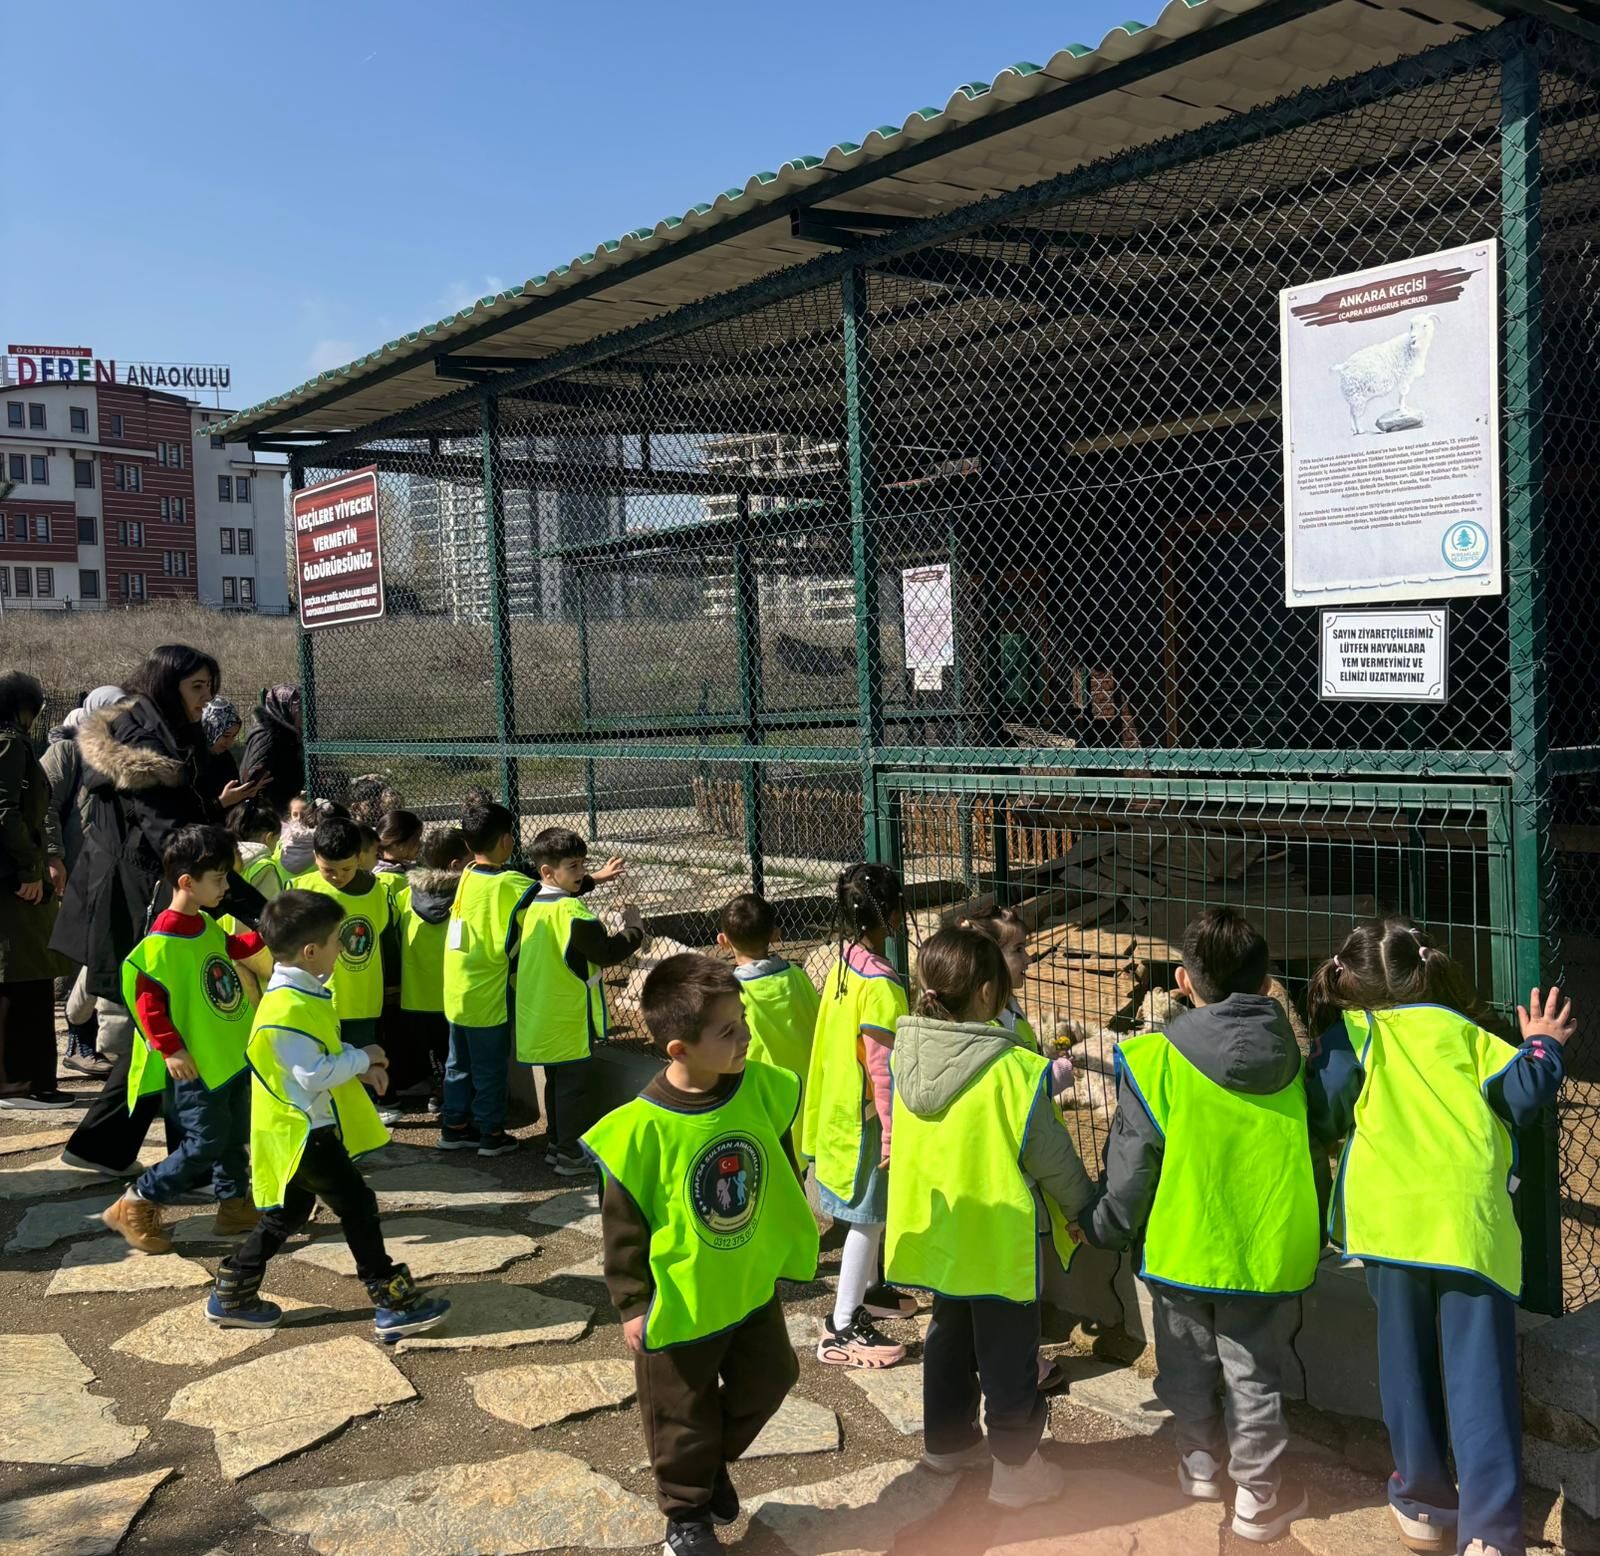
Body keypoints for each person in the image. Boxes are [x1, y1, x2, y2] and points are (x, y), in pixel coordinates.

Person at [1304, 917, 1572, 1556]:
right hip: (1468, 1231)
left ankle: (1424, 1506)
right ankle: (1490, 1534)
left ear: (1355, 985)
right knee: (1481, 1383)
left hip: (1390, 1228)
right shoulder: (1472, 1037)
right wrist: (1542, 1045)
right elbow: (1525, 1094)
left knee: (1406, 1371)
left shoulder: (1354, 1036)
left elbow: (1325, 1111)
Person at [1083, 907, 1320, 1543]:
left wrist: (1105, 1224)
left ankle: (1197, 1461)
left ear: (1184, 981)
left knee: (1184, 1360)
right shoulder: (1299, 1060)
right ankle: (1258, 1497)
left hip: (1180, 1246)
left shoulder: (1153, 1059)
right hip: (1265, 1249)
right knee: (1254, 1374)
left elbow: (1131, 1166)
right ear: (1267, 983)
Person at [583, 953, 818, 1556]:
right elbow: (622, 1225)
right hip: (680, 1297)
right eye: (728, 1031)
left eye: (744, 1022)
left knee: (773, 1377)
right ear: (679, 1049)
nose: (745, 1038)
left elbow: (776, 1164)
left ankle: (708, 1466)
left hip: (747, 1283)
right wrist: (632, 1303)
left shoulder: (761, 1087)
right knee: (679, 1413)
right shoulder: (639, 1129)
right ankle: (686, 1518)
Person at [887, 925, 1092, 1510]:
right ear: (985, 993)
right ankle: (1016, 1468)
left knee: (948, 1335)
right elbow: (1051, 1155)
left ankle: (949, 1443)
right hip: (999, 1239)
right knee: (1008, 1354)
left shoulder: (908, 1057)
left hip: (940, 1232)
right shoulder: (1011, 1070)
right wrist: (1083, 1207)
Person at [53, 645, 267, 1176]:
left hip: (153, 891)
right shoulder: (144, 745)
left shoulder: (160, 730)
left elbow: (175, 818)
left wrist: (214, 807)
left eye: (210, 688)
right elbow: (170, 837)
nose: (206, 699)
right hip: (144, 900)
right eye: (198, 687)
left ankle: (104, 1148)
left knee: (166, 1030)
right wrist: (258, 908)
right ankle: (187, 1159)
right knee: (174, 1025)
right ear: (168, 684)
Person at [207, 889, 452, 1341]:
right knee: (358, 1205)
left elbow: (315, 1058)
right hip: (304, 1133)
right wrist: (363, 1058)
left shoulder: (299, 994)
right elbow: (312, 1072)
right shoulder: (287, 1007)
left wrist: (361, 1066)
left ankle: (233, 1292)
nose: (342, 947)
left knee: (287, 1213)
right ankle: (391, 1302)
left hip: (296, 1130)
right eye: (337, 940)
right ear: (310, 951)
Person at [101, 825, 273, 1252]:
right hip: (196, 1063)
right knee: (205, 1141)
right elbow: (148, 1003)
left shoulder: (203, 924)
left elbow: (233, 948)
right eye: (219, 879)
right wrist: (172, 1049)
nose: (226, 887)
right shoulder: (162, 941)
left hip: (226, 1055)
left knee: (233, 1134)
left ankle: (233, 1204)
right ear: (187, 882)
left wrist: (273, 932)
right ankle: (137, 1200)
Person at [803, 862, 916, 1367]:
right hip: (866, 1120)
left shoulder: (843, 965)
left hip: (837, 1110)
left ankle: (870, 1292)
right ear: (892, 914)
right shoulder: (883, 987)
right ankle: (842, 1324)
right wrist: (893, 1134)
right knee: (867, 1219)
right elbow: (883, 1070)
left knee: (866, 1214)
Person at [515, 825, 640, 1174]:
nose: (582, 872)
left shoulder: (530, 902)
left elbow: (569, 885)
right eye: (573, 866)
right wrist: (634, 929)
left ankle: (557, 1143)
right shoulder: (574, 915)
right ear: (547, 871)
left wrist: (594, 878)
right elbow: (607, 952)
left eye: (583, 864)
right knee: (573, 1088)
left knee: (556, 1083)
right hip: (569, 1017)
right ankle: (571, 1154)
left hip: (539, 1013)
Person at [440, 801, 536, 1158]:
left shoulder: (467, 874)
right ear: (508, 840)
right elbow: (549, 895)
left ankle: (454, 1126)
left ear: (468, 845)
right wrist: (591, 880)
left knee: (458, 1063)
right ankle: (491, 1133)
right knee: (490, 1067)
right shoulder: (511, 883)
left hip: (457, 992)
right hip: (489, 995)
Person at [291, 815, 401, 1121]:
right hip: (318, 1000)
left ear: (360, 858)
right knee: (325, 1064)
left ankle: (366, 1116)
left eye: (346, 869)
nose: (337, 876)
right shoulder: (301, 889)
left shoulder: (377, 890)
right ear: (315, 856)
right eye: (328, 869)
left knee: (363, 1060)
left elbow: (384, 936)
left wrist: (393, 983)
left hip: (362, 998)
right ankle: (328, 1120)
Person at [0, 671, 72, 1108]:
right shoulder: (10, 744)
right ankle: (19, 1083)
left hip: (16, 879)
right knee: (22, 976)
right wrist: (29, 869)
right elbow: (5, 811)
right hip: (15, 885)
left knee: (25, 975)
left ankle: (27, 1081)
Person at [716, 892, 820, 1153]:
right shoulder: (797, 976)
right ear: (776, 934)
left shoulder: (730, 994)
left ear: (723, 941)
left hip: (760, 1104)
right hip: (806, 1098)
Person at [960, 902, 1073, 1108]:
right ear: (990, 957)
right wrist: (1056, 1075)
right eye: (1018, 950)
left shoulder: (1010, 1007)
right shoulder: (984, 1030)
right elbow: (1015, 1087)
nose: (1028, 959)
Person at [394, 825, 468, 1114]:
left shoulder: (404, 896)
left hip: (416, 996)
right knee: (457, 1051)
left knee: (434, 1050)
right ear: (457, 865)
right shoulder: (466, 898)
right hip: (456, 993)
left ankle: (440, 1092)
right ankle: (457, 1101)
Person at [239, 685, 303, 818]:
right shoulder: (268, 734)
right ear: (284, 708)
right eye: (299, 710)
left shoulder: (288, 734)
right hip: (265, 813)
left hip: (279, 809)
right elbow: (252, 778)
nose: (303, 715)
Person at [374, 810, 423, 876]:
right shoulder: (387, 876)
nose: (420, 844)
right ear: (396, 843)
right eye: (417, 838)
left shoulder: (404, 868)